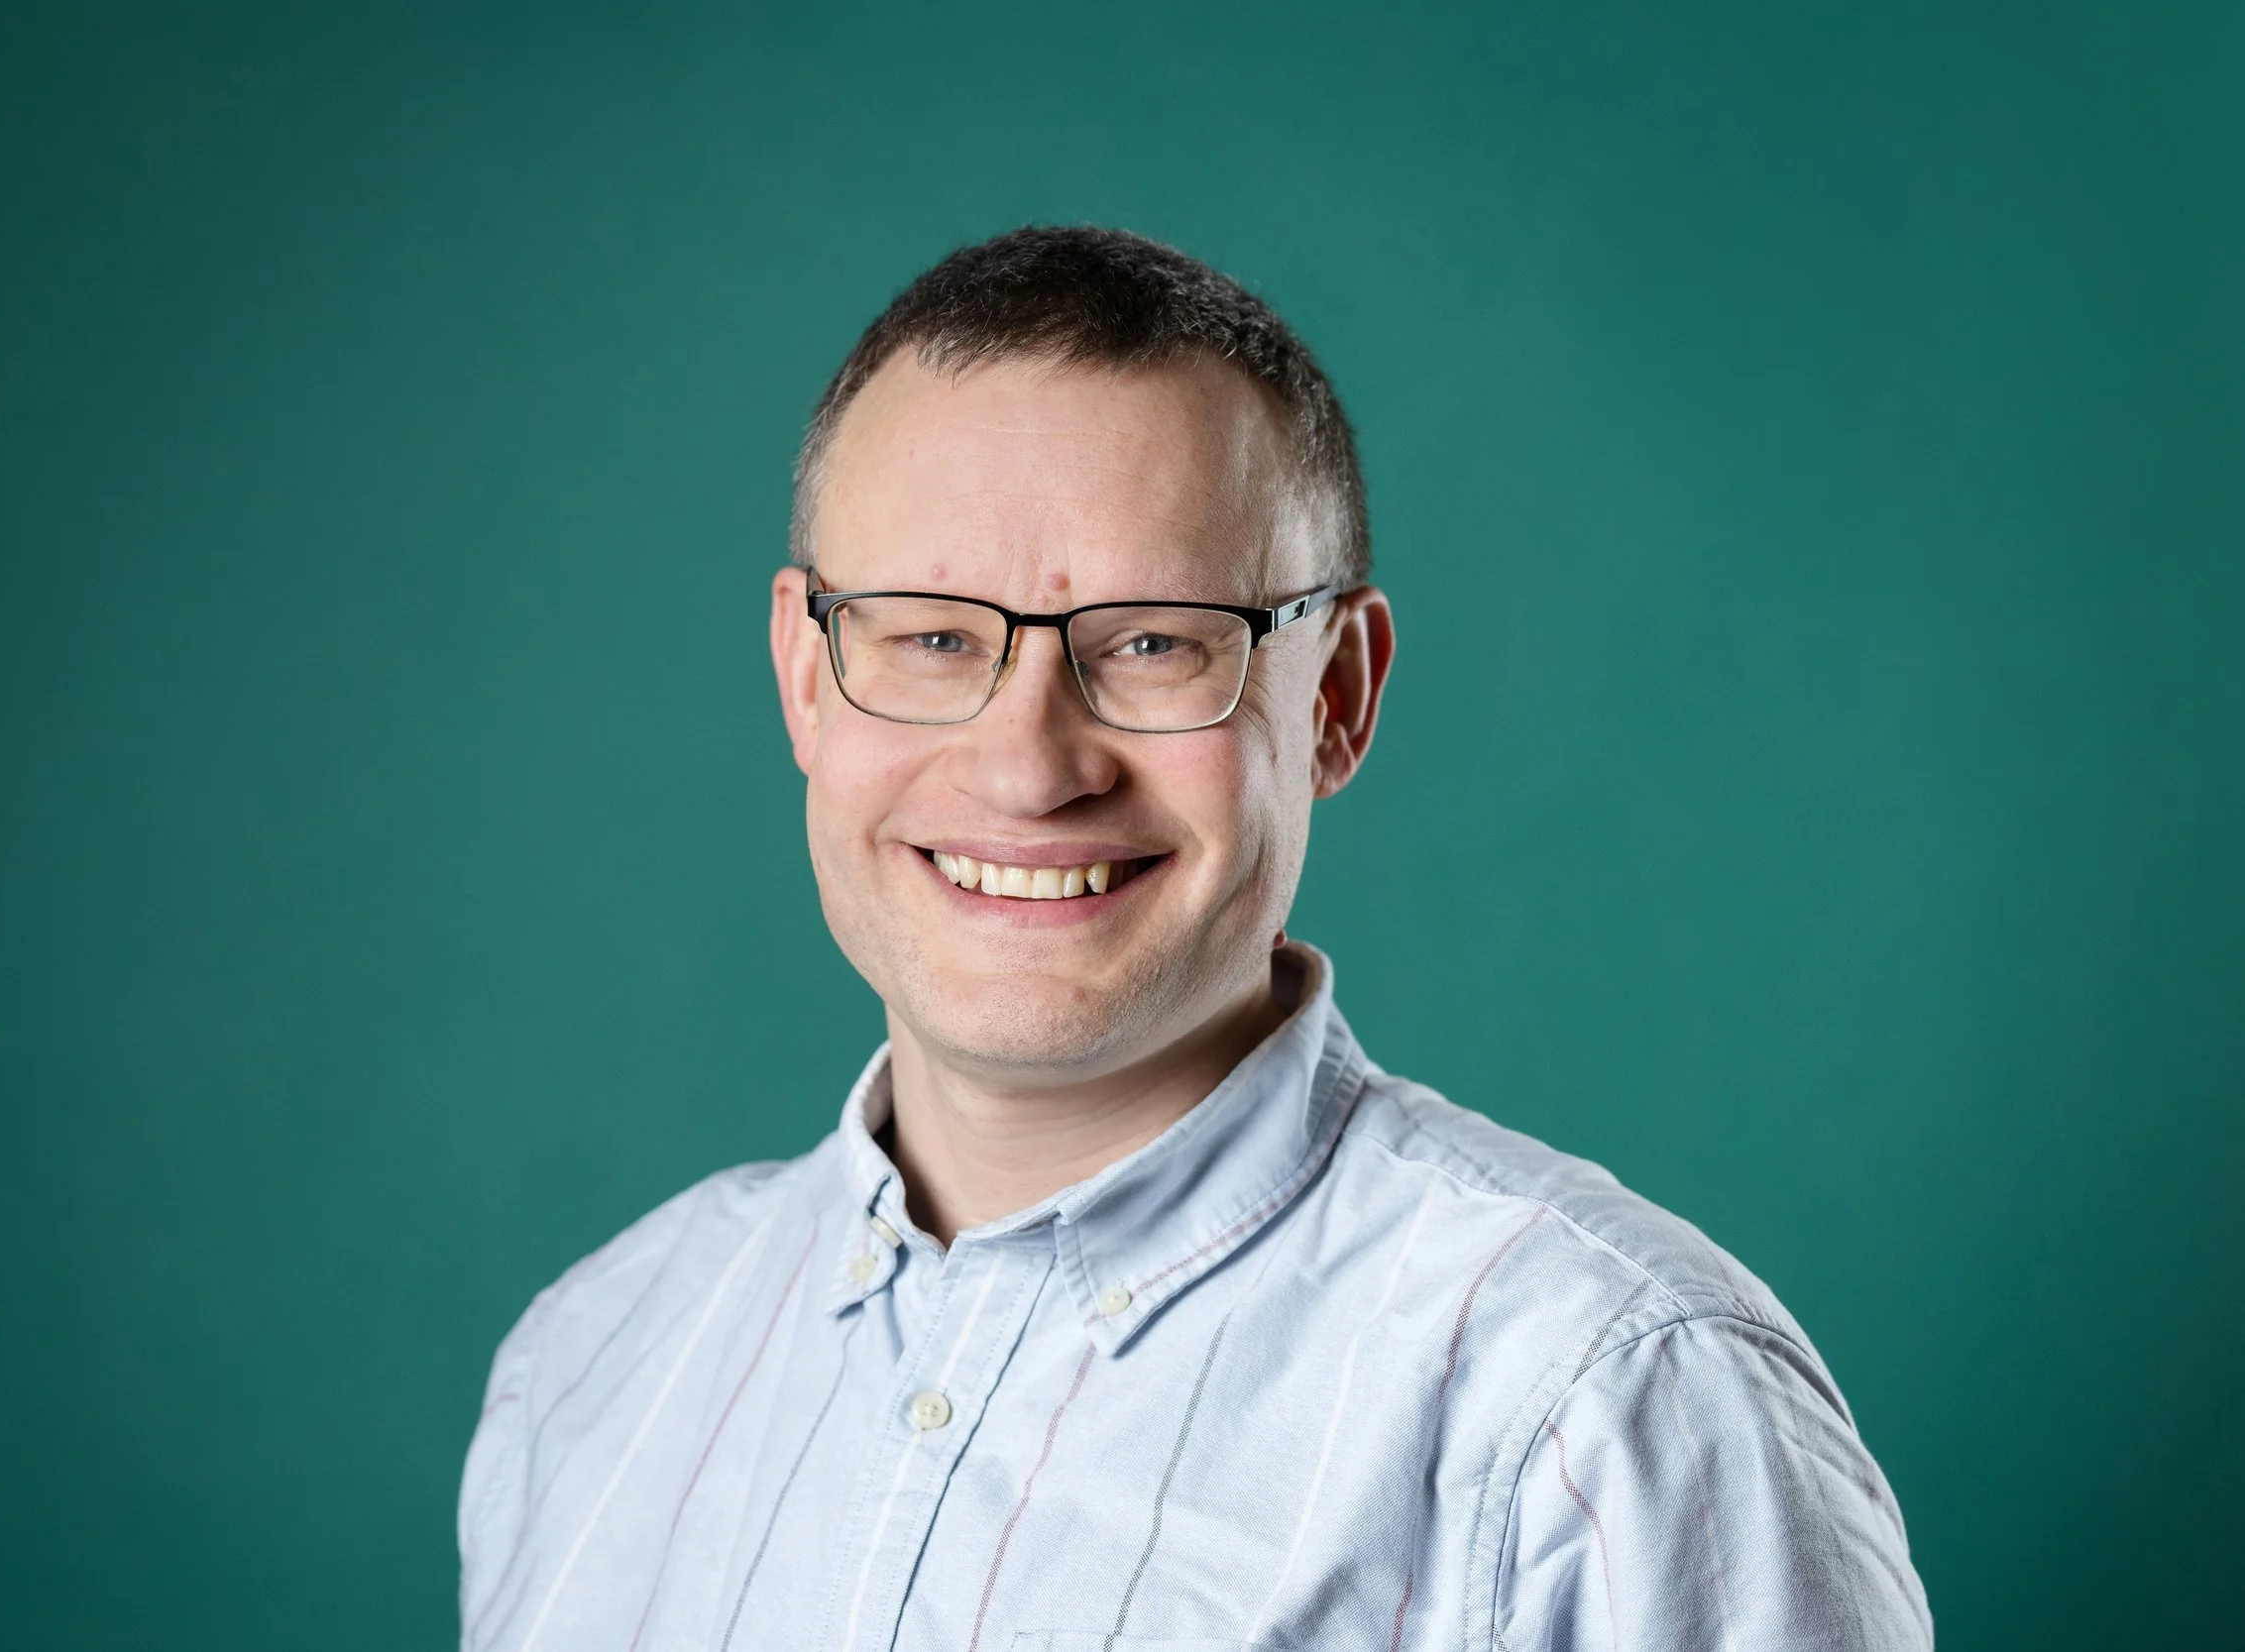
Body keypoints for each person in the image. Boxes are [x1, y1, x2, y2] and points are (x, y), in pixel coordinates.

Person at [455, 227, 1931, 1652]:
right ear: (803, 674)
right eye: (931, 637)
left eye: (1156, 641)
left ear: (1337, 695)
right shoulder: (594, 1362)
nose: (1030, 766)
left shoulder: (1616, 1413)